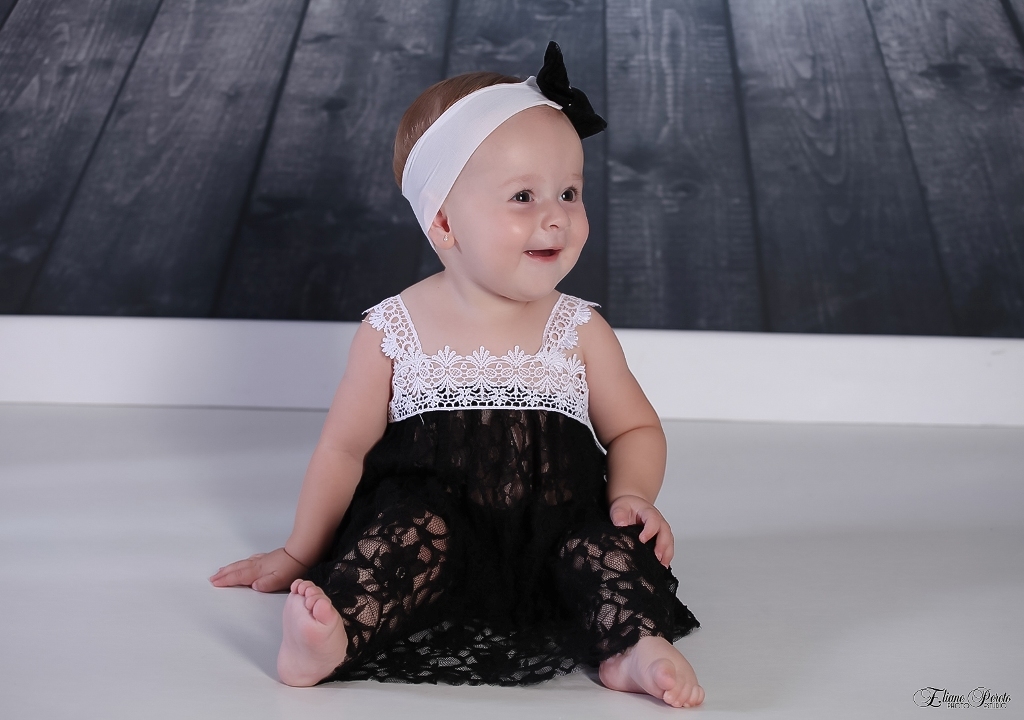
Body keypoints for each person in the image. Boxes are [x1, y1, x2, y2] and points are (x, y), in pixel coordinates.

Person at [210, 42, 704, 709]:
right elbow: (343, 450)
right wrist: (302, 552)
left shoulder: (579, 328)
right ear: (443, 222)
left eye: (569, 192)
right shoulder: (394, 329)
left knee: (606, 552)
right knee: (400, 538)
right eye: (523, 196)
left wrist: (634, 495)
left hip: (555, 539)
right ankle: (334, 637)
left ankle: (631, 648)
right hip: (440, 541)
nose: (555, 215)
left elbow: (635, 429)